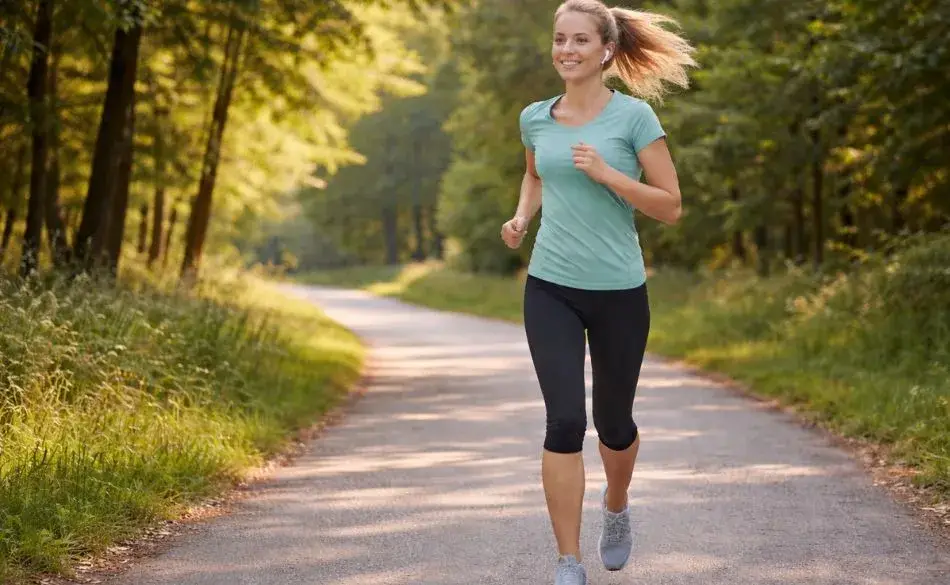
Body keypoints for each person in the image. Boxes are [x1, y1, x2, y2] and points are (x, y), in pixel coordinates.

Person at [499, 1, 696, 583]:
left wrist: (609, 175)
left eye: (580, 40)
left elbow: (672, 207)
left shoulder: (634, 119)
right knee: (564, 422)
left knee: (614, 424)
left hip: (618, 290)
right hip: (550, 286)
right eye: (560, 39)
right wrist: (520, 218)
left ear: (606, 50)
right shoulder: (535, 117)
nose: (566, 50)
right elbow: (535, 173)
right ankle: (568, 561)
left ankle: (616, 504)